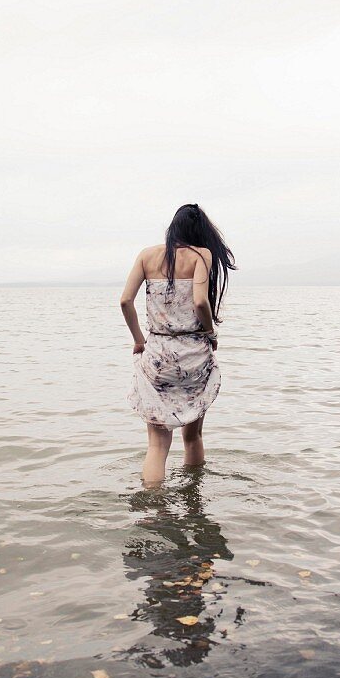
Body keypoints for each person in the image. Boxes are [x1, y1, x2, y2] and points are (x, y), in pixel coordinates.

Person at [120, 203, 237, 485]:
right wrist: (211, 333)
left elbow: (125, 301)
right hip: (193, 354)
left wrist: (139, 340)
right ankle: (194, 501)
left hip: (158, 354)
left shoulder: (147, 256)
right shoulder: (202, 255)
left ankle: (153, 508)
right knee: (193, 436)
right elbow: (200, 301)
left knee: (157, 446)